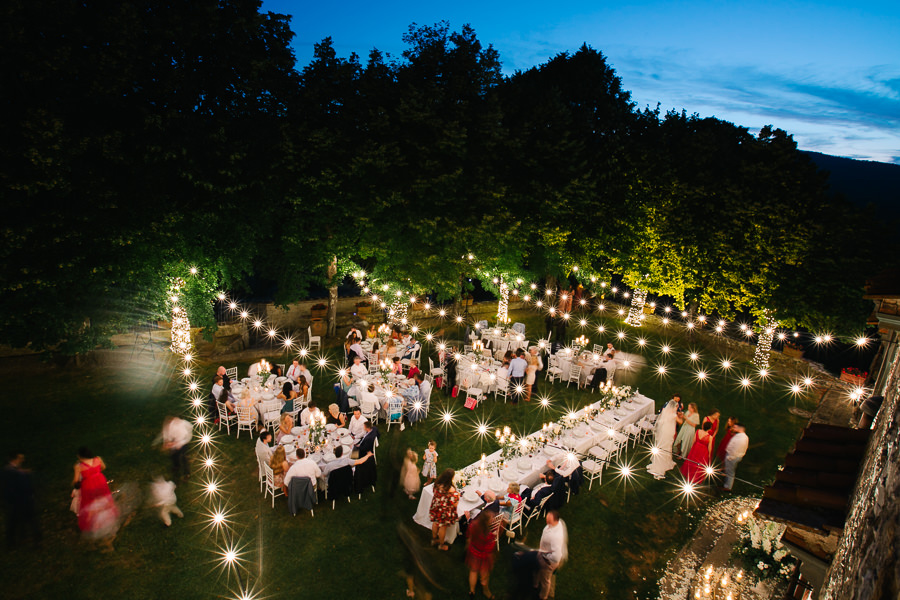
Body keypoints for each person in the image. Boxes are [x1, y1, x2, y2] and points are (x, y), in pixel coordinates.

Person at [72, 447, 119, 547]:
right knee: (104, 498)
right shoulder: (98, 459)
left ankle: (93, 523)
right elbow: (103, 468)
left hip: (88, 485)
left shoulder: (78, 466)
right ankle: (107, 518)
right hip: (100, 482)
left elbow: (76, 481)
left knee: (90, 502)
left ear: (80, 456)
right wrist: (96, 473)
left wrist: (77, 484)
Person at [2, 452, 40, 549]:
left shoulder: (14, 470)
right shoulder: (11, 471)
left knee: (17, 521)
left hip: (18, 500)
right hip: (19, 500)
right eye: (20, 458)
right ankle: (16, 542)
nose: (22, 460)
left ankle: (20, 540)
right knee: (16, 521)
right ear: (14, 459)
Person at [465, 508, 499, 599]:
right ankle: (486, 591)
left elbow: (469, 536)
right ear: (486, 522)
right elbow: (489, 550)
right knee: (484, 577)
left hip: (473, 552)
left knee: (473, 571)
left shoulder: (473, 525)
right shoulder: (489, 536)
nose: (493, 519)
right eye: (491, 518)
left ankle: (472, 591)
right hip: (483, 557)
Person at [535, 510, 568, 600]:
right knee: (538, 569)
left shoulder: (556, 537)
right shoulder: (557, 523)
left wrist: (545, 558)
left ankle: (543, 596)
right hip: (543, 554)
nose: (547, 522)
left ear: (555, 520)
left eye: (549, 521)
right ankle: (536, 584)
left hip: (548, 561)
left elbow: (556, 557)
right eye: (547, 520)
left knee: (546, 580)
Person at [428, 468, 460, 551]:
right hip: (444, 512)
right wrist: (458, 496)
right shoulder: (451, 490)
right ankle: (441, 545)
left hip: (436, 507)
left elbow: (435, 493)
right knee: (442, 527)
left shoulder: (437, 483)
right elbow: (455, 504)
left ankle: (434, 540)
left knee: (435, 523)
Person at [647, 400, 678, 479]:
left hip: (664, 431)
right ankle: (661, 465)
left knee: (663, 446)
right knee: (665, 447)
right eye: (676, 407)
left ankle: (662, 461)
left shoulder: (666, 412)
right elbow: (680, 421)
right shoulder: (673, 415)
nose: (677, 408)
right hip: (668, 433)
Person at [161, 416, 193, 481]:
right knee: (174, 456)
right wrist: (167, 442)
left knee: (184, 458)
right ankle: (176, 467)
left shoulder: (184, 426)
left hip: (183, 443)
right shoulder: (170, 426)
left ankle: (186, 473)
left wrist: (179, 444)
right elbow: (167, 435)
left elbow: (187, 437)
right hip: (175, 443)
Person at [722, 423, 748, 492]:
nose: (734, 428)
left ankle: (727, 487)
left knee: (730, 472)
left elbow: (737, 449)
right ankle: (726, 485)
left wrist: (730, 457)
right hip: (732, 456)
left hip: (732, 457)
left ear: (740, 428)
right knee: (728, 471)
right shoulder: (740, 436)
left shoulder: (742, 438)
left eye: (735, 427)